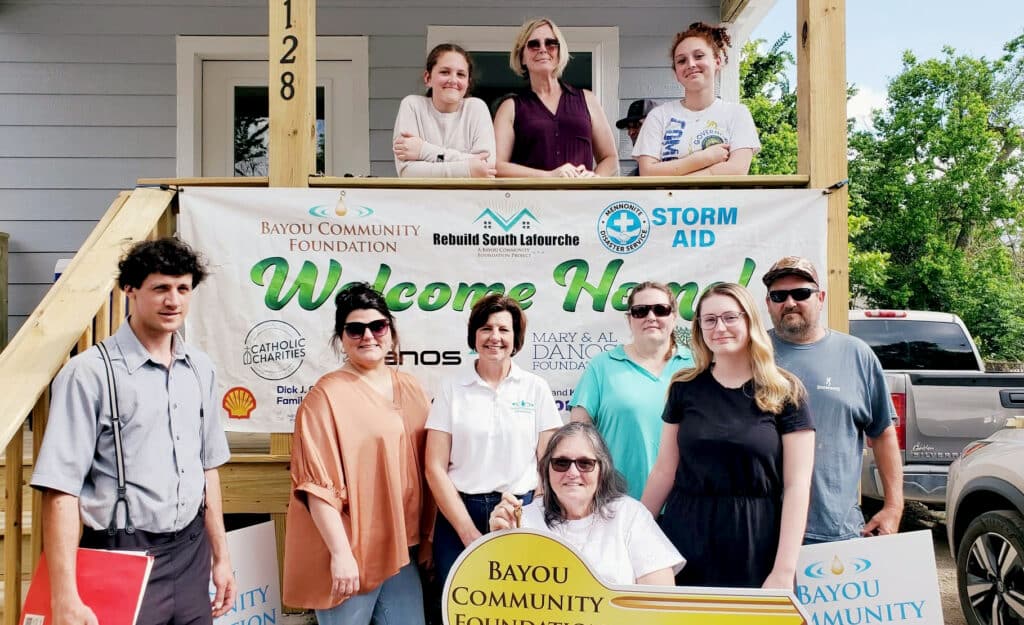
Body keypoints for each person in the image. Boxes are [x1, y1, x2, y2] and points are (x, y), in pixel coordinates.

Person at [30, 238, 235, 625]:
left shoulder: (201, 369)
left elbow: (208, 470)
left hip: (191, 555)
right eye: (160, 288)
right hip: (120, 554)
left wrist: (222, 559)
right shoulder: (89, 374)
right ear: (130, 290)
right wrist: (64, 596)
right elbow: (60, 490)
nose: (173, 300)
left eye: (183, 288)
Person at [641, 283, 815, 589]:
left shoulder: (786, 391)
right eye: (709, 320)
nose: (719, 327)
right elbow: (664, 471)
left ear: (749, 321)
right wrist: (633, 534)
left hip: (756, 541)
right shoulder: (684, 388)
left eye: (729, 317)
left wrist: (785, 570)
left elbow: (797, 486)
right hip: (685, 538)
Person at [282, 283, 434, 624]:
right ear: (341, 338)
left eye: (377, 326)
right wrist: (340, 554)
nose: (368, 336)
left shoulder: (410, 386)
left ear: (391, 332)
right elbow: (315, 484)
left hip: (403, 551)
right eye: (355, 329)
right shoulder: (325, 397)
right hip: (352, 549)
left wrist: (426, 539)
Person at [762, 256, 903, 543]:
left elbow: (883, 434)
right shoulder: (752, 355)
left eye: (801, 293)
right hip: (761, 530)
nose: (790, 302)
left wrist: (893, 506)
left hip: (834, 531)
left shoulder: (857, 355)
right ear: (768, 303)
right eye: (779, 296)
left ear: (821, 298)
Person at [425, 294, 562, 586]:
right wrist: (465, 530)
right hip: (459, 513)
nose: (494, 337)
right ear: (474, 335)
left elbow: (548, 463)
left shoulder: (536, 388)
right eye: (486, 328)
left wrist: (529, 514)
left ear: (516, 338)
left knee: (516, 605)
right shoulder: (451, 387)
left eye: (503, 329)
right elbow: (434, 467)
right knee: (457, 605)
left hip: (518, 512)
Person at [489, 422, 683, 586]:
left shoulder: (630, 515)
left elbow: (659, 598)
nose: (573, 472)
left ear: (602, 469)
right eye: (561, 463)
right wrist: (498, 544)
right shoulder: (523, 520)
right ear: (546, 469)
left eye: (585, 463)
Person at [569, 282, 693, 499]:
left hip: (684, 506)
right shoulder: (602, 366)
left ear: (674, 317)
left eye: (660, 309)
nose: (651, 316)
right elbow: (578, 435)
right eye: (640, 311)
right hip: (617, 504)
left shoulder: (696, 366)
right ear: (629, 319)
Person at [494, 17, 619, 178]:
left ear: (560, 52)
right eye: (533, 44)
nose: (543, 49)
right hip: (533, 201)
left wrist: (596, 178)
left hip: (582, 201)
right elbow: (497, 166)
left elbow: (610, 158)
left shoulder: (588, 99)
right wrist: (549, 176)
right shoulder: (510, 107)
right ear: (522, 57)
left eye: (550, 43)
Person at [634, 22, 760, 176]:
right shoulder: (658, 116)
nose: (691, 64)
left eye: (699, 56)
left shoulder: (737, 113)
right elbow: (648, 172)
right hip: (668, 201)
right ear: (676, 73)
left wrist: (676, 179)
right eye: (681, 61)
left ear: (717, 61)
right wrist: (704, 158)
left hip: (721, 201)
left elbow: (737, 170)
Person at [393, 43, 497, 178]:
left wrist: (424, 151)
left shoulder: (476, 108)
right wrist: (468, 167)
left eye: (461, 74)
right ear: (428, 78)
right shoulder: (412, 106)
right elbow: (407, 172)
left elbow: (486, 165)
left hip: (467, 198)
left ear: (468, 82)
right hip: (422, 199)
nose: (453, 80)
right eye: (445, 72)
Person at [615, 99, 657, 175]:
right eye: (628, 127)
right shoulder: (632, 178)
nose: (630, 133)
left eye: (637, 125)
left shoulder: (674, 162)